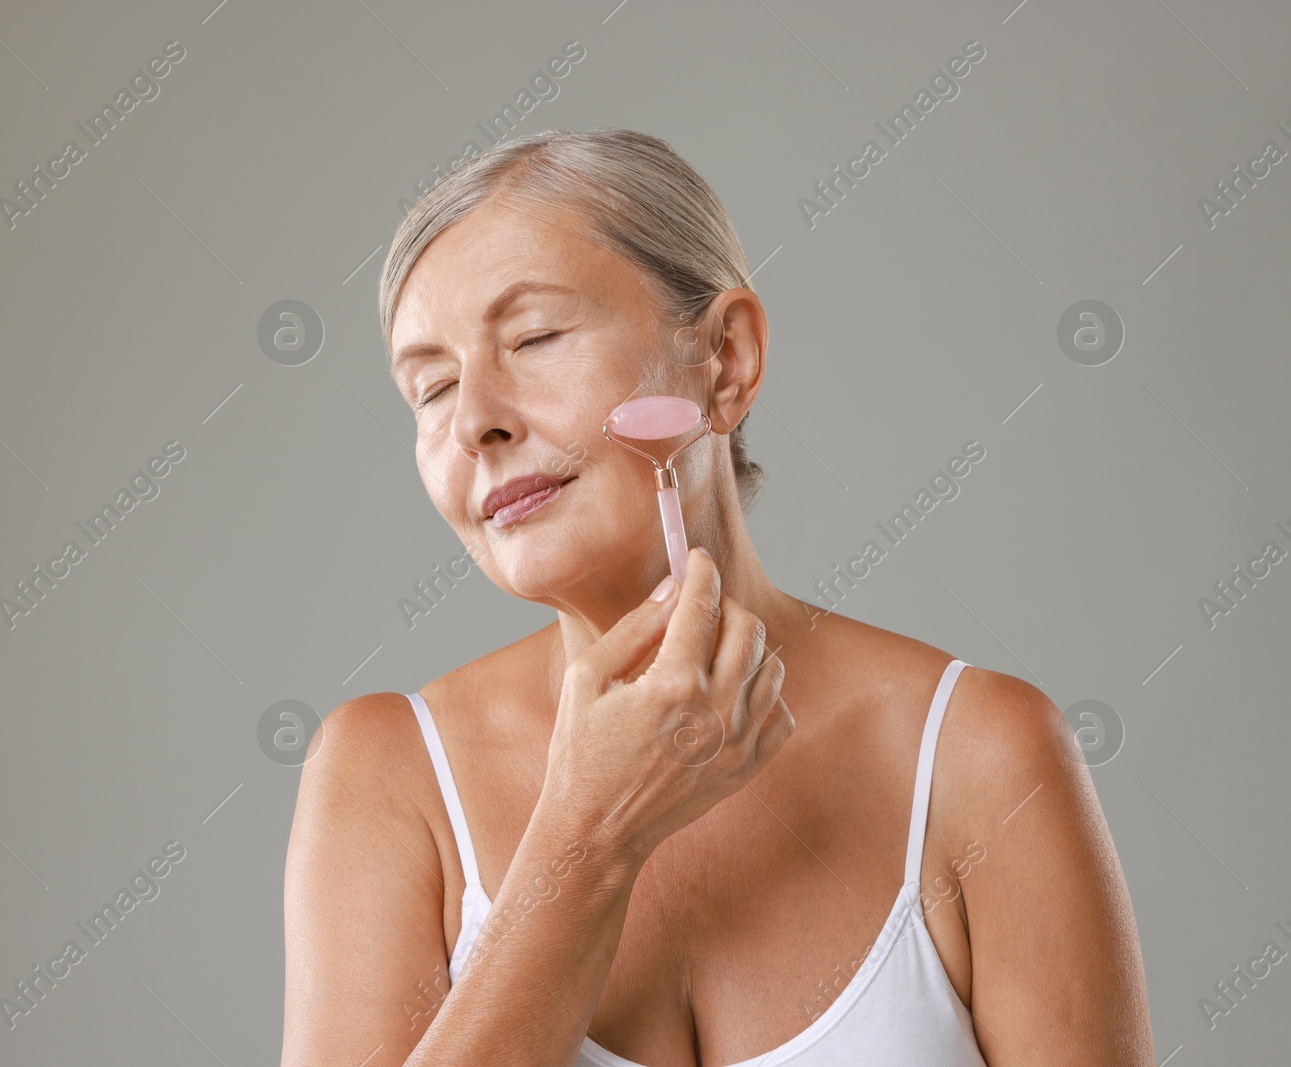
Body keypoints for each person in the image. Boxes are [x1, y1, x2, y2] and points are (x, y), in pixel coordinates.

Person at [282, 127, 1154, 1066]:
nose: (475, 422)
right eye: (433, 387)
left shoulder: (984, 755)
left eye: (533, 338)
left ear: (727, 359)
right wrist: (593, 834)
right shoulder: (386, 778)